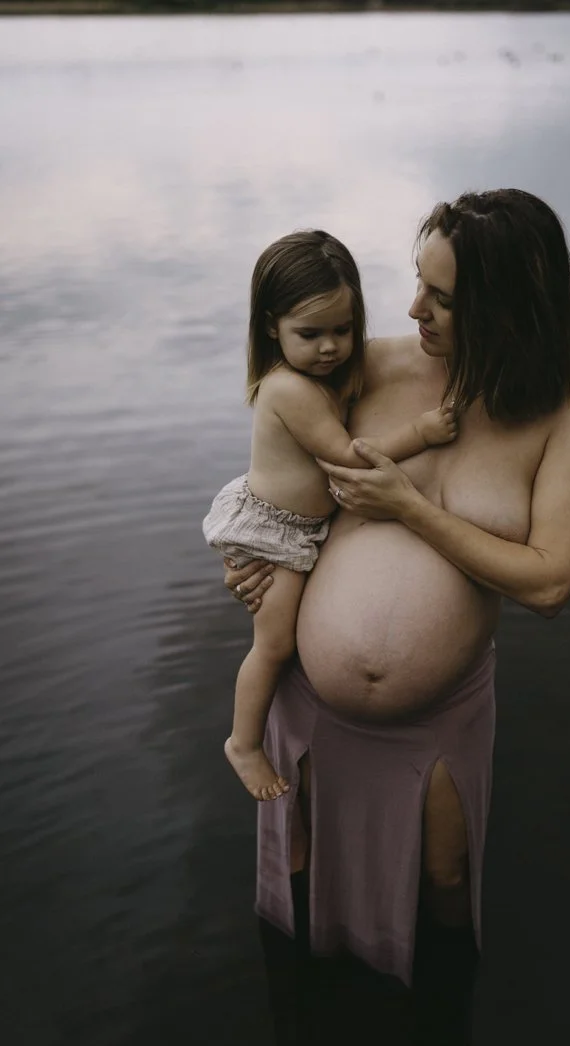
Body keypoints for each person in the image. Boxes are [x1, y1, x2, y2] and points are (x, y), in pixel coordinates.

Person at [223, 191, 570, 1006]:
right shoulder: (364, 364)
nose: (412, 309)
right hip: (307, 689)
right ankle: (310, 1018)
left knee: (445, 878)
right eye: (417, 282)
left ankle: (436, 1030)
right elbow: (284, 464)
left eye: (442, 298)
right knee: (301, 862)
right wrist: (245, 551)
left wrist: (409, 508)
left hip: (439, 710)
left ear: (507, 307)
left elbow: (548, 582)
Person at [202, 230, 457, 802]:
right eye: (310, 334)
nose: (330, 348)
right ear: (272, 327)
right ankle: (243, 743)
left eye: (343, 330)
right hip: (274, 533)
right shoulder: (289, 390)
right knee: (272, 646)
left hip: (298, 526)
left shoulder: (324, 379)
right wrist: (421, 432)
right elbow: (346, 458)